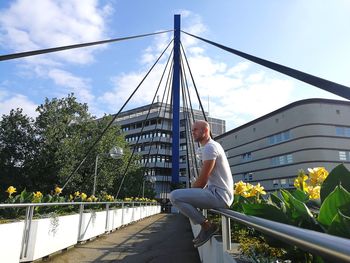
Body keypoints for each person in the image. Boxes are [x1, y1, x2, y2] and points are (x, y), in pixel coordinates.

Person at [169, 120, 233, 248]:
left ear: (205, 131)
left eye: (195, 130)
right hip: (216, 192)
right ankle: (205, 226)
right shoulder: (209, 147)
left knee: (175, 196)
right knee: (182, 198)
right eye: (192, 130)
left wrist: (190, 192)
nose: (192, 132)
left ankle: (207, 226)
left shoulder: (210, 148)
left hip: (219, 195)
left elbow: (202, 180)